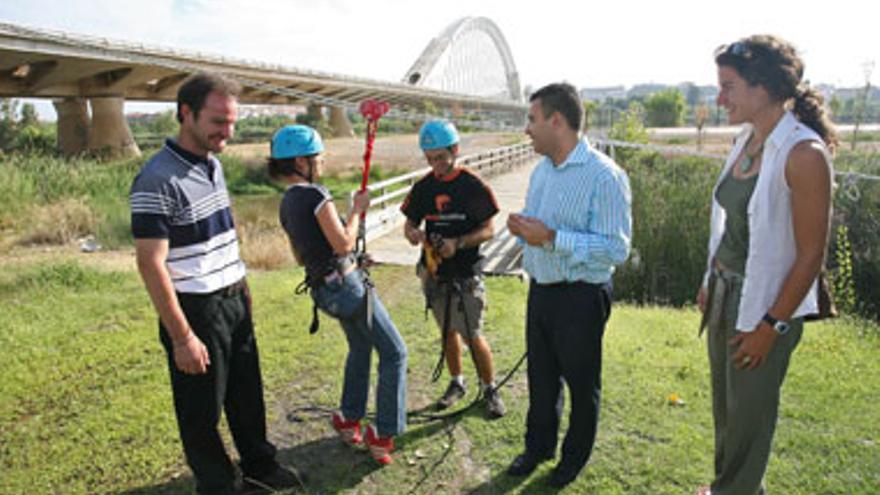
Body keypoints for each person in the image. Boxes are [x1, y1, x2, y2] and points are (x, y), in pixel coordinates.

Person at [130, 73, 299, 495]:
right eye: (218, 121)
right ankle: (219, 485)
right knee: (200, 411)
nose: (228, 132)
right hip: (195, 309)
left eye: (232, 122)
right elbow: (151, 264)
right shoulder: (157, 179)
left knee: (246, 394)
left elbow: (223, 234)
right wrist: (182, 335)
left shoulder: (213, 164)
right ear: (185, 114)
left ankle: (260, 467)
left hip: (232, 299)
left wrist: (241, 286)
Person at [695, 35, 836, 495]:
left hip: (765, 306)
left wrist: (770, 326)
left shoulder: (803, 154)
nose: (719, 99)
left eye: (728, 87)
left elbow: (811, 255)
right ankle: (727, 488)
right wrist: (709, 279)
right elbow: (730, 222)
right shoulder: (747, 139)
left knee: (749, 423)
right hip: (724, 293)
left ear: (763, 88)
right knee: (728, 412)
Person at [505, 82, 632, 488]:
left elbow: (616, 249)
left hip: (581, 296)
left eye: (532, 119)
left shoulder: (605, 176)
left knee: (581, 384)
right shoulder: (542, 170)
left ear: (556, 121)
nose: (527, 129)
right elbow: (538, 222)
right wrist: (523, 227)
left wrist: (553, 238)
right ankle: (538, 447)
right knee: (541, 379)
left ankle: (571, 460)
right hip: (541, 289)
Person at [268, 124, 407, 465]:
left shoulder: (287, 202)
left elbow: (305, 255)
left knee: (360, 348)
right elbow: (343, 242)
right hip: (347, 288)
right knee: (395, 353)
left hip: (324, 290)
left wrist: (353, 259)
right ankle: (383, 433)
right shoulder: (316, 195)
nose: (322, 164)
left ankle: (348, 418)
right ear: (302, 161)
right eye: (319, 158)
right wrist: (358, 209)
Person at [400, 119, 506, 419]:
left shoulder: (472, 186)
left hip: (465, 273)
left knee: (472, 333)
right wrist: (413, 234)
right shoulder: (424, 187)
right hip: (434, 272)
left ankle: (490, 388)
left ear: (455, 150)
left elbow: (489, 230)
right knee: (447, 332)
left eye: (441, 158)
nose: (435, 165)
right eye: (429, 158)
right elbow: (409, 223)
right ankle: (457, 382)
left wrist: (457, 243)